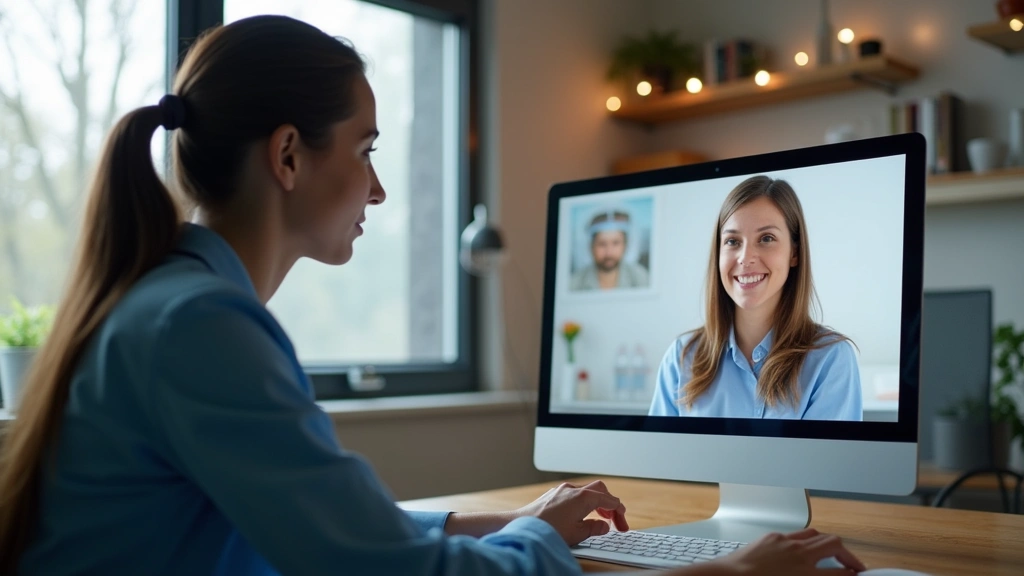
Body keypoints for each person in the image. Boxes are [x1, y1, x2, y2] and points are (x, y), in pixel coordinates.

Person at [0, 16, 865, 575]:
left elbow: (343, 533)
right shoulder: (200, 325)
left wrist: (497, 525)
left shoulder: (174, 304)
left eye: (767, 240)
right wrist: (717, 574)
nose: (377, 191)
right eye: (367, 150)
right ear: (289, 155)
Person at [649, 176, 863, 421]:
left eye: (766, 239)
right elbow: (660, 458)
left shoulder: (831, 360)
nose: (745, 257)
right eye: (732, 241)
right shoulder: (681, 358)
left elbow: (828, 460)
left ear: (794, 253)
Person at [570, 208, 650, 291]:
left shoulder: (642, 279)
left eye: (615, 243)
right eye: (602, 244)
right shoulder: (574, 283)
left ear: (626, 245)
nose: (609, 252)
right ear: (591, 246)